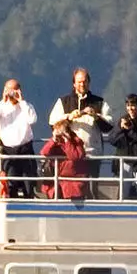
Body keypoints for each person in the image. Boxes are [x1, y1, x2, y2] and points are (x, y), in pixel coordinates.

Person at [49, 67, 114, 198]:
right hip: (70, 154)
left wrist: (96, 116)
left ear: (89, 82)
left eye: (84, 81)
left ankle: (92, 215)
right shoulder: (63, 101)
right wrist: (69, 117)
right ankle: (70, 215)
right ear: (74, 83)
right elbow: (52, 122)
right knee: (72, 188)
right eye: (79, 82)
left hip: (92, 153)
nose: (82, 84)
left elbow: (110, 124)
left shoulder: (99, 102)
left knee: (91, 188)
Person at [0, 78, 40, 199]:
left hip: (25, 150)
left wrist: (21, 101)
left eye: (14, 90)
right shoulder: (2, 107)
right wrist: (2, 101)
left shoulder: (27, 106)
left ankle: (29, 203)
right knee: (11, 183)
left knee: (28, 183)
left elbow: (33, 119)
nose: (12, 93)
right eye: (9, 90)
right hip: (8, 151)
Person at [39, 122, 92, 204]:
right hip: (57, 179)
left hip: (73, 180)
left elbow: (75, 156)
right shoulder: (55, 142)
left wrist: (67, 141)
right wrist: (53, 140)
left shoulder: (76, 141)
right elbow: (44, 153)